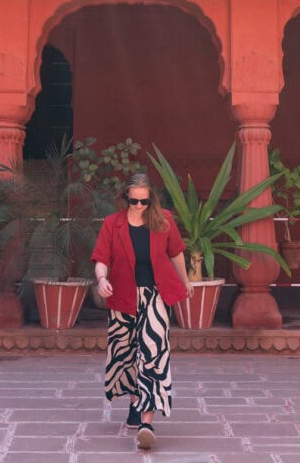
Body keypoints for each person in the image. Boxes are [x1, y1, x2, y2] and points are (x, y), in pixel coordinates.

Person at [91, 171, 193, 451]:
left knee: (153, 354)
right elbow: (101, 258)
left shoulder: (164, 221)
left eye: (143, 201)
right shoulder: (113, 224)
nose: (138, 206)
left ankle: (147, 422)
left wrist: (185, 281)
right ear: (125, 197)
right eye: (133, 201)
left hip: (155, 297)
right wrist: (102, 279)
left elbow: (176, 253)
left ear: (152, 199)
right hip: (123, 297)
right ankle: (135, 402)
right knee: (125, 354)